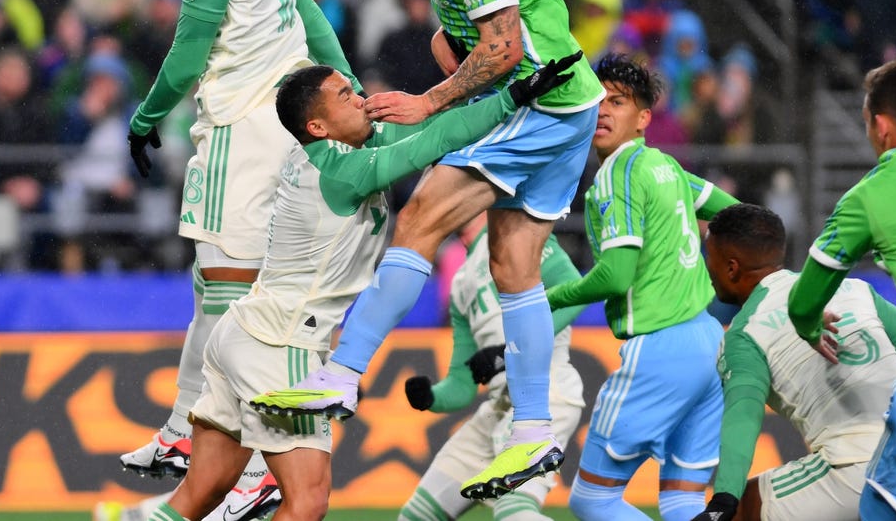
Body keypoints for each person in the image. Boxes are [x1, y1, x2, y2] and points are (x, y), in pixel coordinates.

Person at [251, 0, 605, 501]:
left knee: (419, 218)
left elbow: (501, 49)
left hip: (534, 98)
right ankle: (533, 426)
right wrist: (452, 48)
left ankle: (342, 375)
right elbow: (482, 26)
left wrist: (431, 101)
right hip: (569, 102)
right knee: (513, 265)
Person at [143, 57, 579, 521]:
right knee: (306, 502)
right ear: (318, 125)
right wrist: (512, 98)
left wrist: (472, 99)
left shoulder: (326, 152)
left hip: (240, 335)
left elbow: (436, 129)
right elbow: (431, 142)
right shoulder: (342, 172)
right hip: (281, 343)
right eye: (345, 97)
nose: (361, 98)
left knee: (199, 495)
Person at [120, 0, 359, 491]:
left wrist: (145, 117)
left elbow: (189, 52)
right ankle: (180, 430)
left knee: (234, 302)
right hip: (283, 131)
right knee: (213, 289)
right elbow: (307, 13)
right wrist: (346, 78)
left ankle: (257, 459)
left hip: (239, 134)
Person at [543, 54, 738, 521]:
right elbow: (736, 213)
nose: (603, 111)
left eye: (619, 102)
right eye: (598, 101)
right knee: (682, 501)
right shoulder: (666, 167)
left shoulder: (618, 173)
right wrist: (695, 256)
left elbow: (614, 276)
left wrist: (547, 299)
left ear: (643, 118)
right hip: (711, 344)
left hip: (660, 352)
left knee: (592, 499)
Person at [690, 203, 896, 521]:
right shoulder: (856, 289)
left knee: (744, 510)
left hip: (859, 469)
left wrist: (723, 501)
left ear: (731, 268)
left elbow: (743, 420)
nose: (706, 268)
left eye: (710, 258)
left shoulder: (744, 335)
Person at [787, 55, 896, 520]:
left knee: (879, 509)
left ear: (881, 126)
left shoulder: (871, 195)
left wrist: (806, 324)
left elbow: (806, 298)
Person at [399, 215, 587, 521]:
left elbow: (576, 292)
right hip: (498, 408)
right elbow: (462, 385)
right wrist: (430, 397)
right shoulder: (460, 283)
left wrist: (508, 352)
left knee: (514, 514)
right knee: (415, 517)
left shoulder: (522, 235)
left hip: (546, 395)